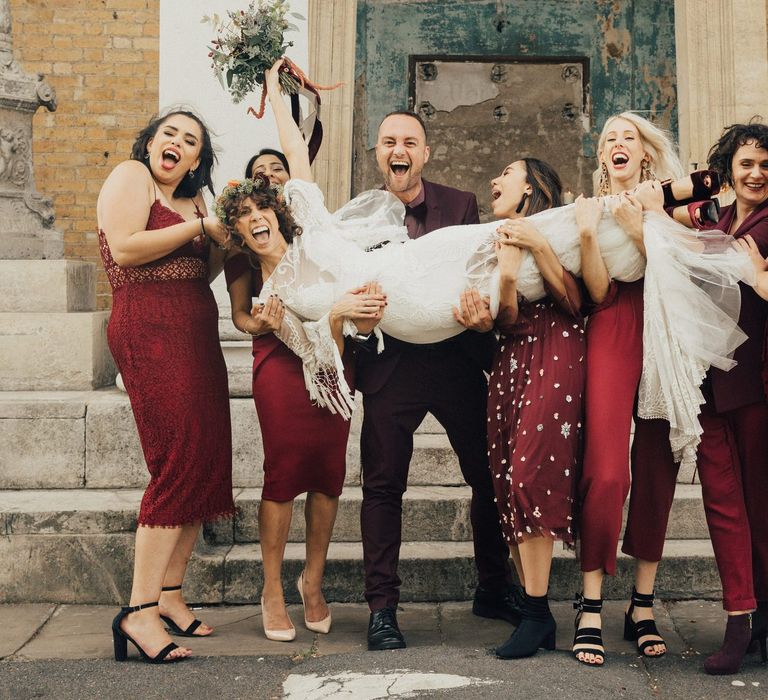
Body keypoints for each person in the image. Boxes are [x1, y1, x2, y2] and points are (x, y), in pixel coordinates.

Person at [222, 62, 387, 642]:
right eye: (243, 218)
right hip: (282, 369)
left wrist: (275, 93)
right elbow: (259, 324)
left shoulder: (313, 239)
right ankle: (272, 588)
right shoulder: (253, 275)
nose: (255, 220)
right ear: (238, 233)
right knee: (284, 473)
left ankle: (311, 582)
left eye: (261, 210)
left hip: (334, 367)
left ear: (279, 211)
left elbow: (296, 154)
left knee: (328, 475)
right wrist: (269, 322)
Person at [356, 109, 516, 651]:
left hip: (455, 363)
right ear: (378, 153)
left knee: (488, 477)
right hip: (391, 367)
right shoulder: (359, 216)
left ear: (425, 154)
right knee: (382, 488)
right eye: (388, 142)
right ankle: (382, 609)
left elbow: (477, 273)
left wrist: (483, 317)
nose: (398, 150)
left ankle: (494, 588)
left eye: (409, 142)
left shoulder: (461, 204)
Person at [98, 110, 234, 663]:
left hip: (196, 334)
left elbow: (203, 272)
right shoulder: (132, 177)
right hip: (148, 329)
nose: (176, 142)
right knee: (176, 462)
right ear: (151, 142)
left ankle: (172, 594)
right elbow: (126, 247)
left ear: (197, 159)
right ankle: (139, 611)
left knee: (203, 459)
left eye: (190, 140)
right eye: (169, 133)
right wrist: (200, 228)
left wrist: (230, 231)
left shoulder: (196, 202)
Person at [570, 112, 692, 666]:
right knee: (606, 469)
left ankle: (641, 603)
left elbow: (688, 270)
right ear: (602, 157)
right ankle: (590, 602)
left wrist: (643, 223)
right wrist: (595, 229)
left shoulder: (675, 206)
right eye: (608, 139)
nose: (618, 145)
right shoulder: (585, 208)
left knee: (657, 463)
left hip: (665, 325)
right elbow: (595, 291)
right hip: (614, 322)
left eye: (629, 138)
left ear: (645, 153)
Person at [478, 158, 586, 659]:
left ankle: (539, 612)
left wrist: (538, 246)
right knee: (506, 480)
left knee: (529, 474)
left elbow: (576, 302)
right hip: (511, 357)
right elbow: (505, 319)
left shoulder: (560, 229)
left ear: (530, 188)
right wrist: (504, 278)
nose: (494, 180)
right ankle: (530, 610)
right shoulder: (493, 239)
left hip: (556, 349)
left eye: (506, 172)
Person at [693, 121, 768, 674]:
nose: (757, 173)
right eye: (746, 163)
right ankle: (741, 617)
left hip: (755, 386)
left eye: (766, 165)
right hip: (708, 385)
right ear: (729, 168)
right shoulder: (717, 221)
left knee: (760, 508)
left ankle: (758, 622)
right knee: (723, 505)